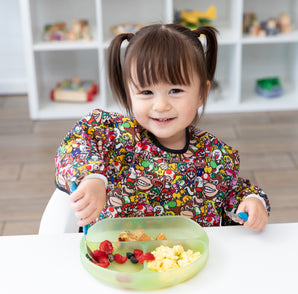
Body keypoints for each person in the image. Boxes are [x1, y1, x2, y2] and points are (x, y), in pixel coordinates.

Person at [55, 24, 270, 232]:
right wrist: (92, 178)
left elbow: (235, 192)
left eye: (175, 90)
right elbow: (76, 145)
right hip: (117, 259)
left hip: (188, 263)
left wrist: (252, 201)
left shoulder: (216, 156)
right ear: (129, 93)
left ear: (202, 94)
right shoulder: (111, 135)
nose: (161, 106)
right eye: (146, 92)